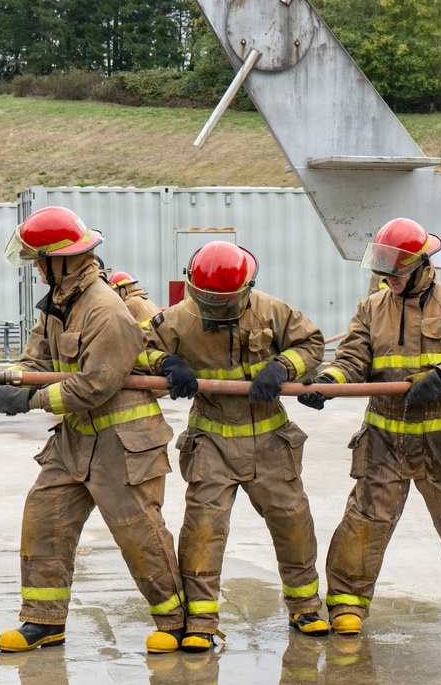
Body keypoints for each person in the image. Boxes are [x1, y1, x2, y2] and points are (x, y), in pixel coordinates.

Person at [0, 206, 185, 654]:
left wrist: (29, 400)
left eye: (40, 260)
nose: (35, 268)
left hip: (123, 444)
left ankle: (176, 622)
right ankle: (43, 621)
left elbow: (96, 385)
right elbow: (35, 362)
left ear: (63, 261)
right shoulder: (58, 306)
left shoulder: (105, 309)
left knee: (138, 534)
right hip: (75, 442)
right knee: (43, 519)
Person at [299, 217, 441, 635]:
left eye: (397, 268)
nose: (388, 277)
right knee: (366, 518)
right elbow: (353, 359)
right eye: (383, 267)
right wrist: (328, 383)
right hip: (384, 438)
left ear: (422, 264)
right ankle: (346, 605)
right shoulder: (371, 307)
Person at [143, 240, 328, 652]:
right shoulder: (175, 320)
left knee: (292, 522)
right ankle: (201, 621)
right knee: (203, 532)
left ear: (247, 288)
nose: (213, 309)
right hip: (210, 440)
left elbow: (312, 345)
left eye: (223, 302)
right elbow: (141, 349)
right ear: (193, 288)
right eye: (207, 300)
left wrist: (282, 366)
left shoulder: (273, 311)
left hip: (269, 436)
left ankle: (306, 607)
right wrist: (166, 364)